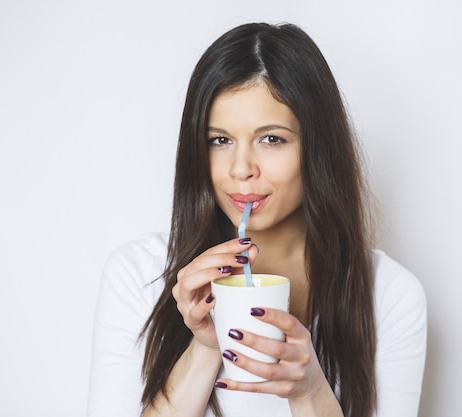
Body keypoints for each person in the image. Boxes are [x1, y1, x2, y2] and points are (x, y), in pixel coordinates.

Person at [88, 22, 427, 417]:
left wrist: (310, 391)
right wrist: (206, 347)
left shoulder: (389, 295)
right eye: (220, 140)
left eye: (271, 139)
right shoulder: (138, 275)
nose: (241, 169)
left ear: (318, 149)